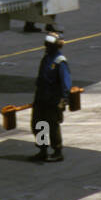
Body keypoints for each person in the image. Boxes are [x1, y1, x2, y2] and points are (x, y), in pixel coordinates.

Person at [30, 32, 71, 163]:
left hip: (53, 99)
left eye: (48, 45)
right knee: (39, 124)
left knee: (52, 125)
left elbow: (66, 82)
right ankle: (42, 150)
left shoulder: (60, 61)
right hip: (41, 97)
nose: (46, 46)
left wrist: (64, 99)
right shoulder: (46, 58)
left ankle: (57, 151)